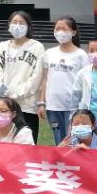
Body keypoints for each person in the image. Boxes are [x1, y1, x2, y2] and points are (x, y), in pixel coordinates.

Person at [0, 10, 46, 143]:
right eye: (14, 22)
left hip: (27, 105)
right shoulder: (2, 47)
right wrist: (4, 94)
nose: (17, 26)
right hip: (5, 106)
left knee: (27, 142)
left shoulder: (37, 47)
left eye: (21, 23)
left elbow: (37, 77)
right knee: (4, 142)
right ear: (9, 25)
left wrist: (16, 94)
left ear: (28, 26)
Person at [38, 16, 88, 145]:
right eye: (57, 29)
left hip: (72, 106)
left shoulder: (81, 55)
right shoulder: (49, 53)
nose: (60, 32)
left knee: (72, 139)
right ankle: (61, 158)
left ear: (73, 32)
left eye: (64, 29)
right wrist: (41, 103)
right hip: (53, 106)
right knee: (58, 139)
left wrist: (83, 106)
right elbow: (45, 79)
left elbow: (86, 82)